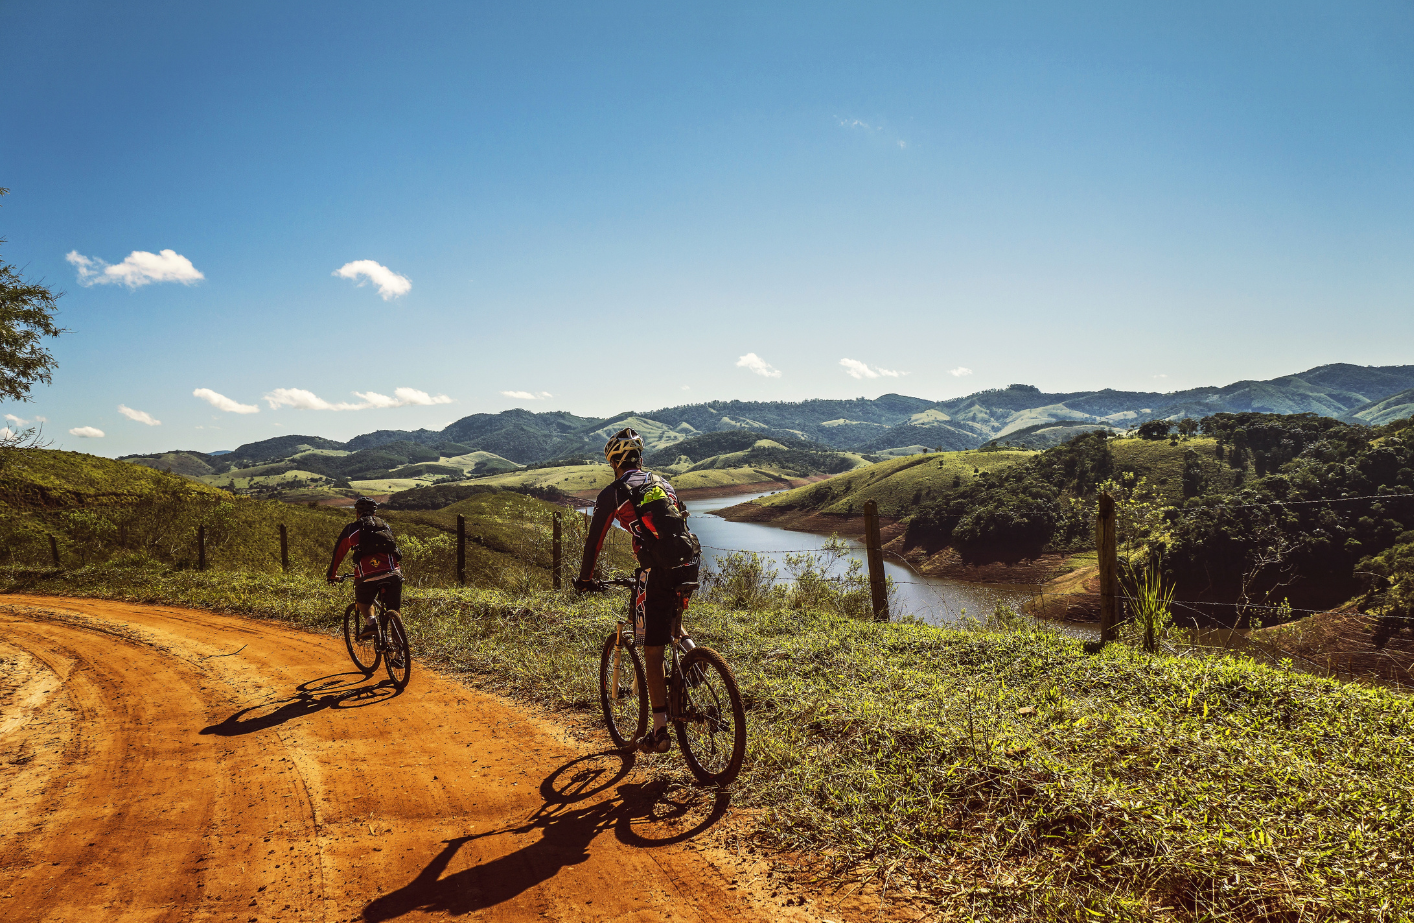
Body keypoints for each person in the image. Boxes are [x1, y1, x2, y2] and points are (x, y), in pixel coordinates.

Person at [575, 428, 700, 754]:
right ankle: (695, 657)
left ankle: (659, 732)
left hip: (655, 572)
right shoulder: (662, 482)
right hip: (689, 563)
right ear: (640, 460)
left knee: (652, 648)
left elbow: (594, 542)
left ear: (613, 463)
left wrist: (585, 579)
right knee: (672, 622)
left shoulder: (614, 493)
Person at [327, 496, 403, 640]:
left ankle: (371, 623)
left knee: (363, 599)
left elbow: (338, 553)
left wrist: (332, 574)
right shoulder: (385, 525)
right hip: (393, 573)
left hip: (367, 576)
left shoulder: (351, 529)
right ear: (374, 513)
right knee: (394, 611)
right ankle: (399, 655)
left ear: (357, 513)